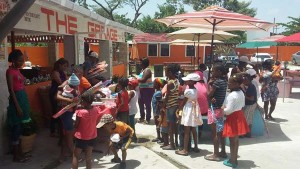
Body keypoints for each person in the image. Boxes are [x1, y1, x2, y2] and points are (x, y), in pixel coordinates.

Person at [6, 49, 31, 162]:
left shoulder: (17, 70)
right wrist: (18, 106)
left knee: (20, 127)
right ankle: (16, 155)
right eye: (20, 60)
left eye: (23, 60)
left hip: (22, 99)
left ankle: (20, 152)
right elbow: (11, 90)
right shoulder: (10, 72)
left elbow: (21, 83)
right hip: (16, 101)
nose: (22, 63)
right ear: (14, 60)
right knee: (16, 127)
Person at [222, 73, 250, 168]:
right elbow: (242, 105)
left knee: (232, 140)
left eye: (230, 83)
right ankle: (234, 159)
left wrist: (223, 109)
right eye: (228, 82)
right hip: (239, 115)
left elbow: (228, 111)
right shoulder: (241, 92)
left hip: (233, 117)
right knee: (236, 140)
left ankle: (233, 161)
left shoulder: (232, 95)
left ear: (237, 84)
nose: (228, 84)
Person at [72, 91, 101, 169]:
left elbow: (76, 125)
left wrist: (73, 124)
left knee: (75, 156)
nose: (81, 102)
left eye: (82, 100)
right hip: (92, 136)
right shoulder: (96, 110)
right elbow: (97, 122)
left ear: (84, 101)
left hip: (81, 137)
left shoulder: (80, 112)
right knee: (88, 157)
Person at [175, 73, 203, 156]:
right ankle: (196, 147)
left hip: (188, 110)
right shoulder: (195, 89)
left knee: (186, 130)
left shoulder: (187, 91)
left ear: (191, 82)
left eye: (187, 80)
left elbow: (183, 103)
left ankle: (185, 150)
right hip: (194, 109)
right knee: (194, 129)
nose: (186, 81)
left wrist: (179, 110)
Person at [205, 63, 228, 161]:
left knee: (214, 133)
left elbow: (208, 95)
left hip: (214, 109)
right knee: (220, 132)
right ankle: (223, 151)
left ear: (219, 72)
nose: (212, 73)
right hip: (220, 109)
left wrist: (208, 85)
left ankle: (215, 154)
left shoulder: (216, 82)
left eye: (214, 71)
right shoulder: (224, 81)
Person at [56, 73, 80, 162]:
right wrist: (70, 100)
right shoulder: (67, 86)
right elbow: (58, 96)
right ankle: (74, 156)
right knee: (68, 135)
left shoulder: (73, 85)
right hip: (66, 113)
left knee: (67, 134)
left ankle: (64, 155)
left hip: (69, 112)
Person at [162, 64, 180, 150]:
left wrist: (163, 106)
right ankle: (176, 142)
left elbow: (167, 96)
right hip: (176, 105)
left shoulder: (170, 83)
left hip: (170, 106)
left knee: (170, 126)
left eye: (166, 71)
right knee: (175, 126)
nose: (165, 73)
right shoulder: (177, 81)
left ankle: (171, 145)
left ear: (169, 72)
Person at [49, 58, 69, 137]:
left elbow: (67, 80)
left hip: (62, 93)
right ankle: (53, 131)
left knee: (61, 111)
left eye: (66, 66)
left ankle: (60, 130)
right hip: (54, 93)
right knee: (55, 111)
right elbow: (61, 83)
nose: (65, 68)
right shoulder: (55, 72)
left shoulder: (63, 72)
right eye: (64, 66)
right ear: (59, 65)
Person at [135, 58, 154, 124]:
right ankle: (142, 117)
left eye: (141, 62)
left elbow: (143, 80)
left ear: (144, 63)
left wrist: (135, 79)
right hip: (142, 89)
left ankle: (148, 118)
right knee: (140, 102)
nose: (140, 64)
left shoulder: (147, 70)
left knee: (147, 103)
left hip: (148, 89)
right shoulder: (142, 70)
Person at [194, 71, 209, 139]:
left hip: (195, 109)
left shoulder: (191, 85)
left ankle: (194, 137)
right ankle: (199, 135)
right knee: (200, 122)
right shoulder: (206, 85)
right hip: (205, 110)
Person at [152, 78, 166, 142]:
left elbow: (158, 103)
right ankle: (158, 137)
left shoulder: (158, 93)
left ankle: (162, 137)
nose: (153, 84)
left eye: (154, 83)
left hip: (157, 112)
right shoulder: (157, 92)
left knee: (159, 124)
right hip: (155, 111)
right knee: (157, 124)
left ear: (157, 85)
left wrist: (156, 113)